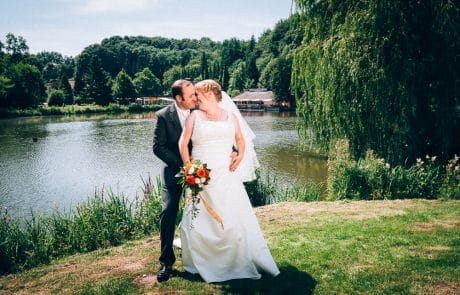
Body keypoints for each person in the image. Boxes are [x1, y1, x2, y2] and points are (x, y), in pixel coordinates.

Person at [178, 79, 280, 283]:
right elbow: (183, 143)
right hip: (202, 177)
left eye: (200, 95)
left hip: (226, 175)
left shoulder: (231, 116)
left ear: (211, 96)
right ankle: (204, 260)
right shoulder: (194, 116)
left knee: (233, 216)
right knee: (200, 220)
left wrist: (240, 156)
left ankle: (236, 258)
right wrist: (190, 168)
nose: (197, 99)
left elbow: (241, 141)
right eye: (196, 95)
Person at [152, 79, 197, 282]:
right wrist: (184, 166)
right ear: (178, 98)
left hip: (201, 173)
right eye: (191, 95)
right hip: (174, 174)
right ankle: (166, 262)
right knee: (168, 211)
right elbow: (158, 147)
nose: (196, 98)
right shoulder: (163, 116)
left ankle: (202, 256)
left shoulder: (200, 112)